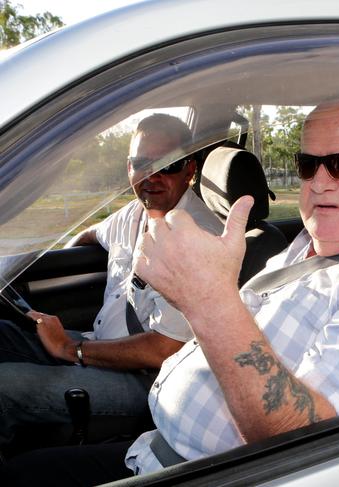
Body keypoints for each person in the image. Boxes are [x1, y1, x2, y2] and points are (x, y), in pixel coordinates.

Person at [1, 102, 339, 485]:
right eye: (308, 165)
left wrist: (208, 301)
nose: (320, 181)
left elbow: (311, 446)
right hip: (156, 452)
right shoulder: (312, 245)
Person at [0, 113, 224, 451]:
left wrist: (69, 349)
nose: (152, 176)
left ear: (190, 170)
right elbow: (91, 233)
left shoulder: (198, 236)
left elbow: (165, 349)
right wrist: (70, 259)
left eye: (169, 165)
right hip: (99, 346)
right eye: (142, 163)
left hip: (145, 380)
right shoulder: (133, 213)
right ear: (128, 167)